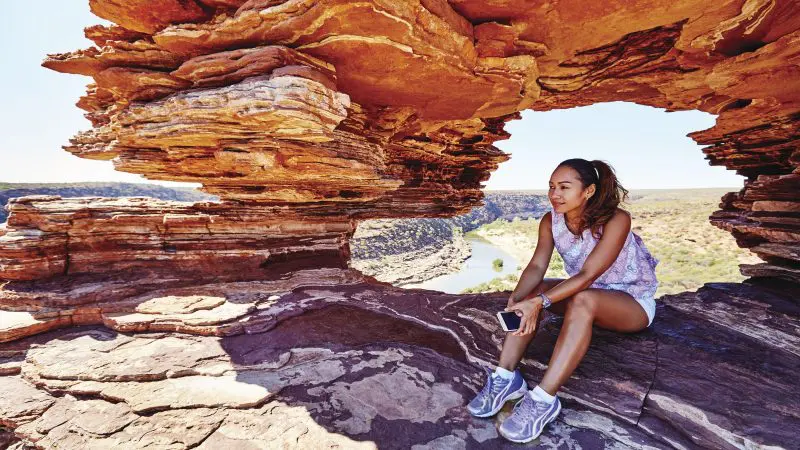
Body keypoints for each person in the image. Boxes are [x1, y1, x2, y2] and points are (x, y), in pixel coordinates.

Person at [467, 158, 659, 443]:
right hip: (584, 294)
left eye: (564, 187)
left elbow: (587, 275)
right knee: (535, 291)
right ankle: (506, 379)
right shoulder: (551, 220)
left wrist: (541, 303)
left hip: (631, 303)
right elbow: (536, 267)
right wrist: (519, 299)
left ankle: (544, 399)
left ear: (589, 191)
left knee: (581, 299)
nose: (554, 194)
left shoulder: (617, 220)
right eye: (551, 187)